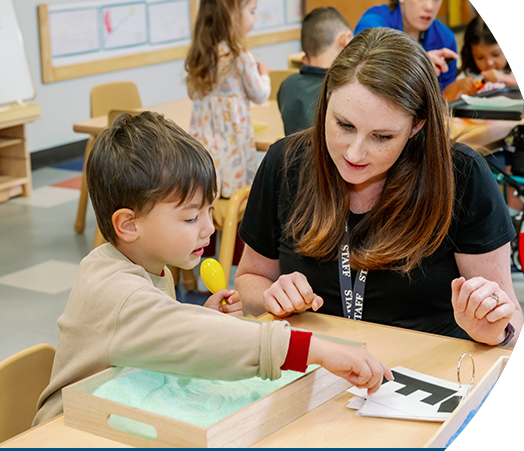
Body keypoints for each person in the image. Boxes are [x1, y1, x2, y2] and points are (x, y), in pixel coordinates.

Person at [33, 111, 391, 425]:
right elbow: (188, 337)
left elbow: (154, 336)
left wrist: (198, 316)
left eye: (207, 211)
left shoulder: (146, 264)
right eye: (190, 217)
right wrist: (315, 349)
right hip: (69, 433)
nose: (209, 227)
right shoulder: (115, 290)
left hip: (111, 416)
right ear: (128, 224)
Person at [235, 27, 523, 347]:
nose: (354, 153)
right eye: (344, 125)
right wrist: (270, 296)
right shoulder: (285, 162)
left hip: (428, 378)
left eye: (382, 137)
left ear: (417, 125)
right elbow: (249, 280)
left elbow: (510, 319)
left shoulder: (462, 176)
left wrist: (494, 330)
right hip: (316, 367)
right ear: (326, 99)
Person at [185, 0, 271, 198]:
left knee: (207, 196)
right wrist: (264, 74)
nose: (254, 18)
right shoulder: (239, 55)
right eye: (251, 11)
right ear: (232, 14)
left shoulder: (202, 54)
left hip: (204, 146)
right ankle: (236, 234)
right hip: (232, 144)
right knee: (237, 198)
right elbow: (260, 94)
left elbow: (193, 93)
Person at [354, 0, 458, 91]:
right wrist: (418, 65)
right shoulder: (373, 24)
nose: (430, 7)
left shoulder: (446, 39)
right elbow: (362, 75)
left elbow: (445, 98)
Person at [278, 7, 353, 136]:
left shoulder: (288, 85)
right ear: (345, 40)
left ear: (304, 59)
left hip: (292, 156)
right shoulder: (344, 87)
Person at [443, 15, 520, 102]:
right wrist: (458, 86)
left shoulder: (518, 71)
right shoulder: (470, 75)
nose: (489, 63)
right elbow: (444, 100)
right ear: (471, 55)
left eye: (496, 54)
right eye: (480, 57)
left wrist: (503, 78)